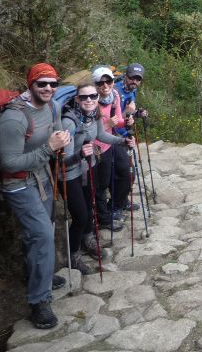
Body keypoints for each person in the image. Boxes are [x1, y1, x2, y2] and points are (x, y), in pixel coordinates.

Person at [0, 63, 70, 330]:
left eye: (53, 84)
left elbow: (56, 133)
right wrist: (49, 149)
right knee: (42, 235)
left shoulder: (52, 106)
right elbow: (9, 163)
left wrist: (63, 140)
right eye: (42, 83)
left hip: (42, 177)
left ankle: (40, 275)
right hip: (17, 184)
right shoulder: (13, 119)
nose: (49, 88)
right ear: (30, 85)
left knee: (41, 231)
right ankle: (39, 300)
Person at [58, 81, 134, 274]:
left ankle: (88, 239)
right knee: (80, 215)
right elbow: (63, 160)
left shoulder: (95, 115)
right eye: (84, 97)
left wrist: (122, 141)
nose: (89, 100)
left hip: (88, 167)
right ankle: (74, 255)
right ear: (77, 99)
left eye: (93, 96)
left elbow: (101, 135)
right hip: (68, 174)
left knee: (90, 206)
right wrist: (80, 155)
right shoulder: (69, 122)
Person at [91, 66, 130, 232]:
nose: (105, 85)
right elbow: (90, 132)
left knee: (108, 180)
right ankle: (102, 218)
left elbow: (118, 119)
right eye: (101, 82)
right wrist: (108, 124)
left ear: (113, 82)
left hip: (108, 145)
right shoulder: (90, 102)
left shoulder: (114, 96)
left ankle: (108, 212)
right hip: (94, 148)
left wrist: (127, 120)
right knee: (99, 185)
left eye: (109, 81)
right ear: (95, 84)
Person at [110, 63, 148, 219]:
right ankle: (114, 207)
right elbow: (112, 119)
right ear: (126, 76)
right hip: (114, 137)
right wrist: (128, 112)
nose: (135, 81)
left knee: (130, 172)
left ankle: (122, 200)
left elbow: (128, 114)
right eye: (132, 77)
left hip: (126, 135)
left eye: (138, 79)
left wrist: (138, 113)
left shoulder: (132, 90)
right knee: (124, 173)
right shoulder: (115, 92)